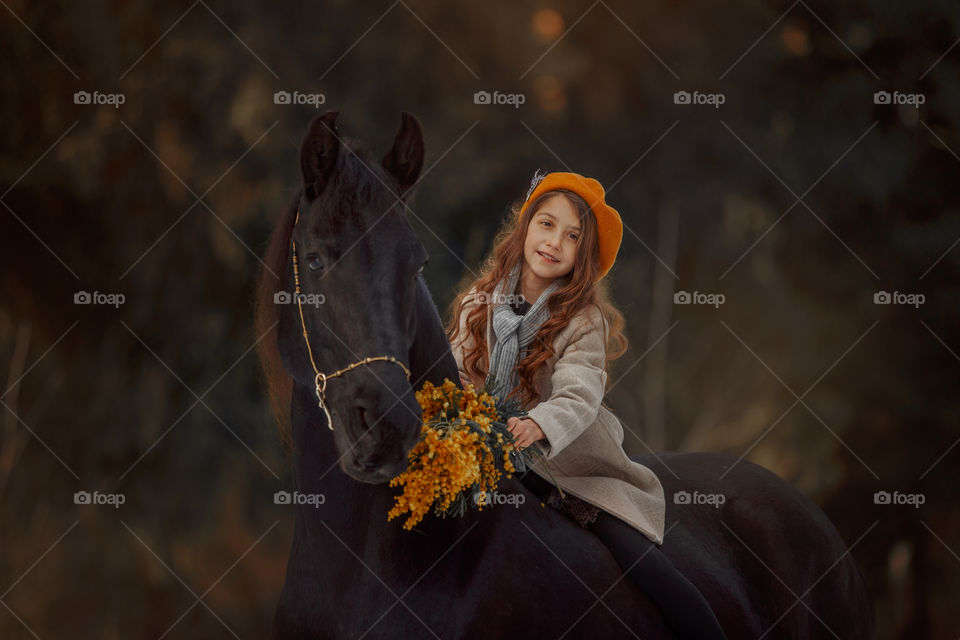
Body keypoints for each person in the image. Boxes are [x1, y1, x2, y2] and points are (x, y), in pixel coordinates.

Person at [446, 171, 728, 639]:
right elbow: (454, 374)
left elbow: (579, 393)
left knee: (641, 563)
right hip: (489, 457)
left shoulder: (582, 320)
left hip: (569, 467)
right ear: (525, 229)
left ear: (585, 255)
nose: (555, 241)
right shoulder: (477, 305)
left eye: (573, 236)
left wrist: (537, 424)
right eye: (547, 224)